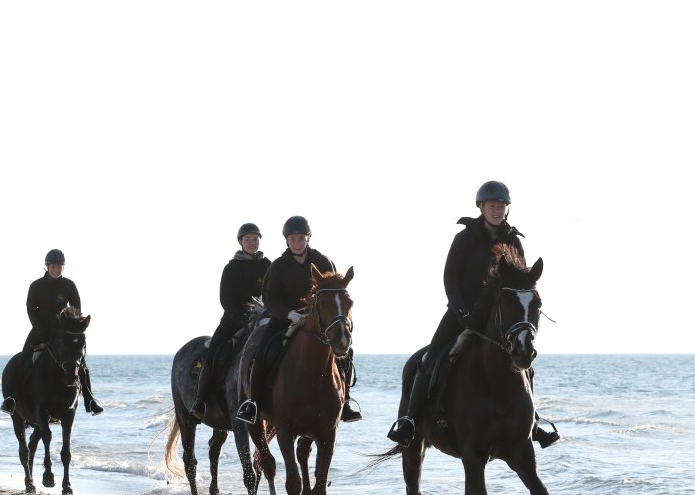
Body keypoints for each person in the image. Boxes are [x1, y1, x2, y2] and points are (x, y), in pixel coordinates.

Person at [386, 181, 559, 448]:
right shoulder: (464, 238)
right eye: (492, 206)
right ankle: (410, 420)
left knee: (525, 363)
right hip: (462, 313)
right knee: (430, 359)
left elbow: (522, 281)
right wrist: (462, 311)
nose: (497, 210)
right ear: (481, 207)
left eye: (501, 206)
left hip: (500, 318)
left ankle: (532, 422)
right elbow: (450, 278)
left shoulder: (513, 240)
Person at [235, 216, 361, 424]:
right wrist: (290, 314)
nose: (297, 243)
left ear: (308, 239)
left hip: (320, 321)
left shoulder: (323, 261)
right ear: (287, 240)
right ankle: (254, 403)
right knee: (264, 350)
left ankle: (345, 401)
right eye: (293, 239)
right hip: (285, 318)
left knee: (345, 351)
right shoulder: (278, 266)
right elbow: (270, 298)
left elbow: (335, 290)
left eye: (301, 238)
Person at [1, 249, 102, 415]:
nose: (56, 270)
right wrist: (40, 329)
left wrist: (71, 326)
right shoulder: (36, 285)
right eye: (53, 267)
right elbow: (31, 309)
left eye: (59, 267)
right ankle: (12, 398)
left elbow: (76, 309)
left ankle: (89, 399)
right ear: (47, 267)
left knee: (79, 361)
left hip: (64, 332)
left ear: (63, 267)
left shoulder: (69, 285)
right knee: (23, 358)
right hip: (40, 329)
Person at [190, 223, 271, 418]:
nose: (252, 243)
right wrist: (242, 317)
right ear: (241, 242)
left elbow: (273, 293)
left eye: (255, 239)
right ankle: (200, 400)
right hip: (234, 320)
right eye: (248, 239)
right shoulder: (231, 268)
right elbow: (225, 300)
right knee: (213, 352)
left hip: (263, 318)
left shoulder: (269, 265)